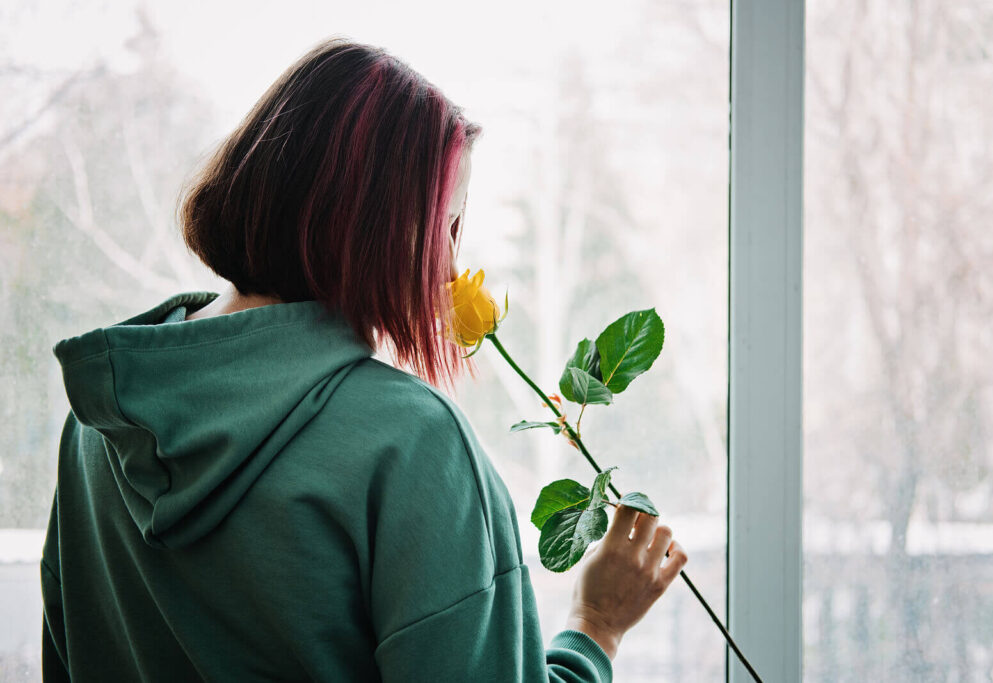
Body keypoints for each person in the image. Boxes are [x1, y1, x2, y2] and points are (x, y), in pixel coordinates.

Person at [40, 37, 688, 682]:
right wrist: (595, 628)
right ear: (374, 225)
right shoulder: (413, 444)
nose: (453, 266)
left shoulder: (100, 421)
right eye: (448, 227)